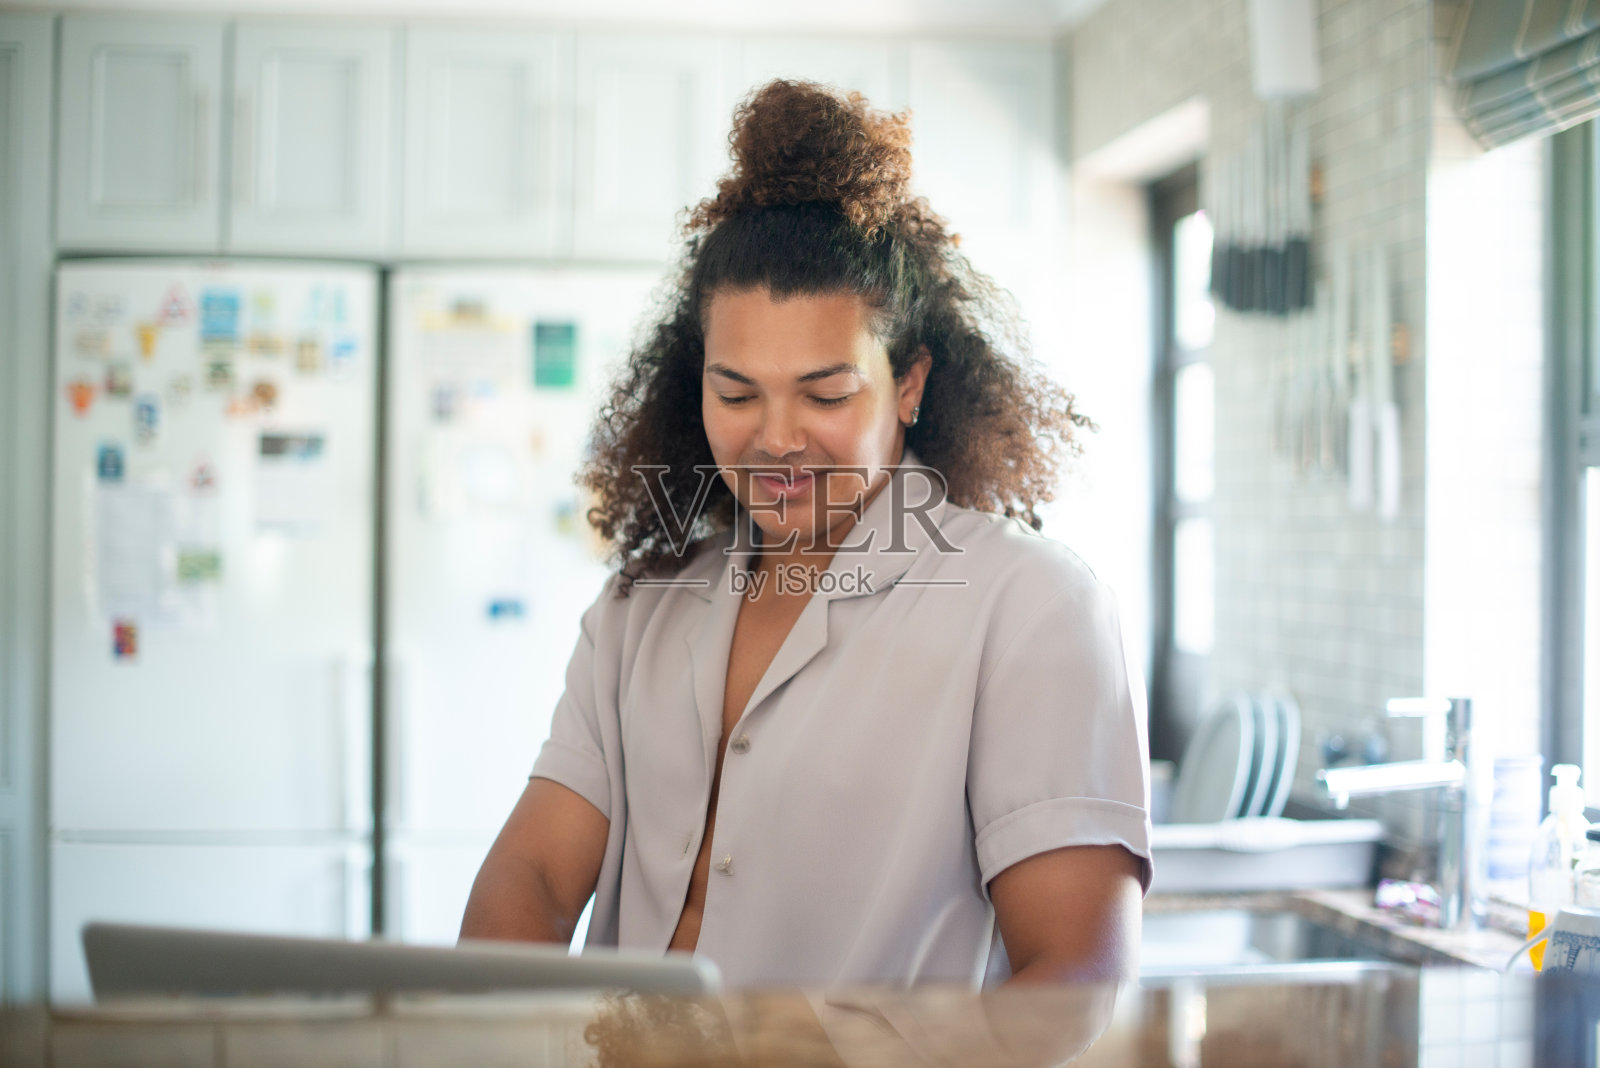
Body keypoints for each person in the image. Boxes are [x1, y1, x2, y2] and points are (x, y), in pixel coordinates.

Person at [460, 79, 1152, 988]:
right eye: (736, 392)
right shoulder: (642, 603)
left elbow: (1073, 975)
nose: (775, 437)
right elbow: (536, 875)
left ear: (910, 385)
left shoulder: (1029, 609)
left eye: (826, 395)